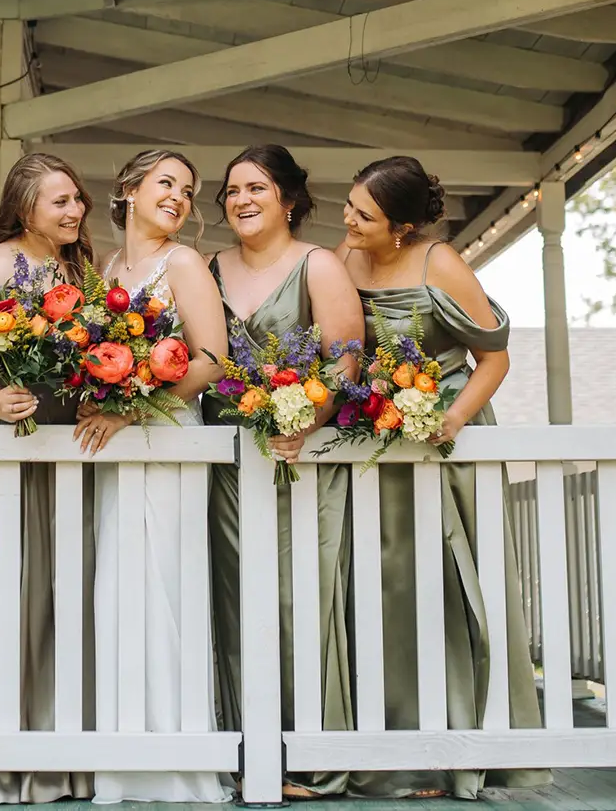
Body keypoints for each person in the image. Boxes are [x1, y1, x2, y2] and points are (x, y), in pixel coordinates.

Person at [336, 155, 550, 800]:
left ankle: (478, 743)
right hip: (374, 436)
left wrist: (452, 417)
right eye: (349, 204)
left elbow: (494, 355)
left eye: (363, 214)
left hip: (444, 433)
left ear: (400, 226)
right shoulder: (344, 260)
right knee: (383, 582)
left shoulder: (440, 264)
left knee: (460, 584)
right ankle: (395, 742)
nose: (348, 218)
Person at [202, 145, 365, 801]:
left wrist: (306, 416)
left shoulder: (316, 265)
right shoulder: (208, 269)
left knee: (300, 599)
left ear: (289, 199)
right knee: (235, 604)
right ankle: (248, 751)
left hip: (297, 461)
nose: (240, 199)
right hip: (225, 467)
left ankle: (310, 755)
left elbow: (345, 361)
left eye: (256, 188)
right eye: (232, 190)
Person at [73, 150, 232, 803]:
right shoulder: (105, 270)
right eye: (166, 184)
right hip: (115, 447)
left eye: (188, 191)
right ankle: (123, 755)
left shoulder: (184, 263)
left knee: (165, 583)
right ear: (129, 191)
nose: (178, 198)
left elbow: (214, 359)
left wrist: (129, 403)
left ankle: (176, 755)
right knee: (120, 584)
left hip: (166, 439)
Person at [0, 153, 96, 805]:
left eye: (77, 200)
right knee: (1, 599)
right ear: (25, 207)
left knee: (53, 601)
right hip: (3, 456)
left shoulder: (78, 271)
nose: (74, 211)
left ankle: (54, 755)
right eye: (60, 201)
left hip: (63, 456)